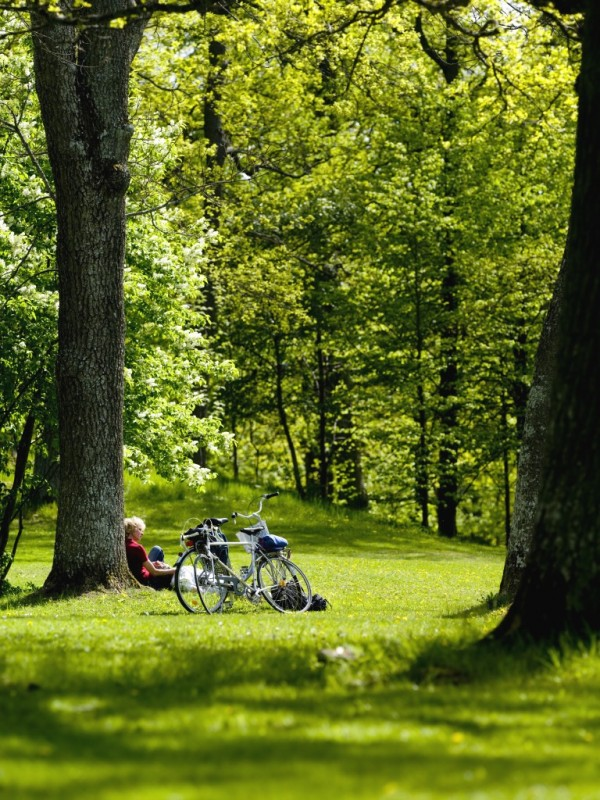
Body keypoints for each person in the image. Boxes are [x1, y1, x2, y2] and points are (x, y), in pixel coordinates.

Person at [124, 516, 176, 590]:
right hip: (148, 582)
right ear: (131, 529)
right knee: (173, 571)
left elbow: (136, 564)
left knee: (157, 550)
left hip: (137, 578)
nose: (142, 533)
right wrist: (174, 570)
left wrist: (152, 564)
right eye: (139, 529)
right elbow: (155, 572)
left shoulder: (121, 545)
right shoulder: (137, 548)